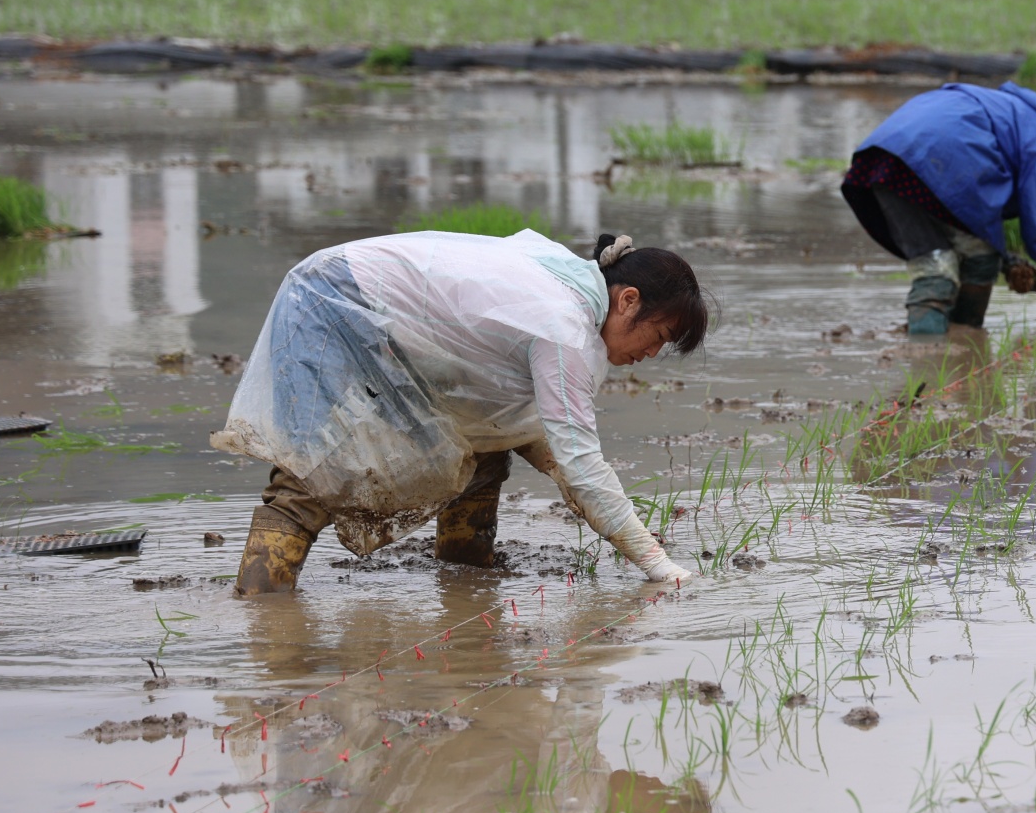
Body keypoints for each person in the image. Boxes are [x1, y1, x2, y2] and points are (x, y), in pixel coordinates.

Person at [213, 229, 709, 595]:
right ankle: (263, 610)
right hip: (335, 302)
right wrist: (658, 565)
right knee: (320, 470)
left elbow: (512, 415)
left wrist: (562, 467)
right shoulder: (565, 329)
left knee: (488, 439)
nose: (651, 355)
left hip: (362, 297)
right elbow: (580, 459)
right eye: (659, 337)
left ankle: (464, 582)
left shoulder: (568, 275)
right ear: (628, 300)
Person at [840, 84, 1036, 337]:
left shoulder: (1019, 114)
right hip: (941, 159)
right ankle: (955, 348)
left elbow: (986, 215)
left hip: (885, 158)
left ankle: (928, 353)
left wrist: (1008, 258)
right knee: (977, 260)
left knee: (932, 262)